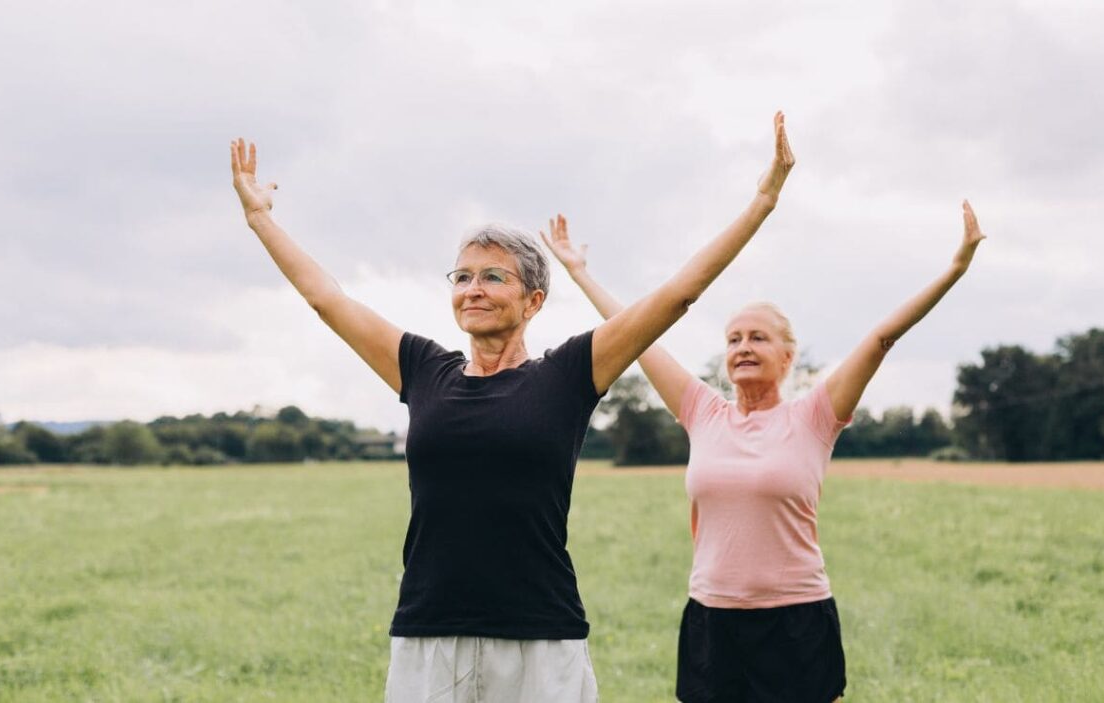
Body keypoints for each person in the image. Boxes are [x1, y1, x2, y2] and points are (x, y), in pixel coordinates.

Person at [228, 111, 795, 702]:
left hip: (539, 637)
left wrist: (761, 202)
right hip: (430, 633)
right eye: (463, 276)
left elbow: (677, 295)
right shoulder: (423, 368)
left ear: (534, 300)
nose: (473, 288)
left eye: (494, 276)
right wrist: (260, 218)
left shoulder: (569, 374)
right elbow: (328, 300)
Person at [543, 198, 986, 702]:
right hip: (712, 618)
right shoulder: (703, 412)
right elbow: (639, 337)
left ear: (788, 355)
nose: (743, 348)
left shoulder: (815, 416)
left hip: (796, 619)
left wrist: (954, 269)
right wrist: (580, 273)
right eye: (733, 340)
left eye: (758, 338)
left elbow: (882, 338)